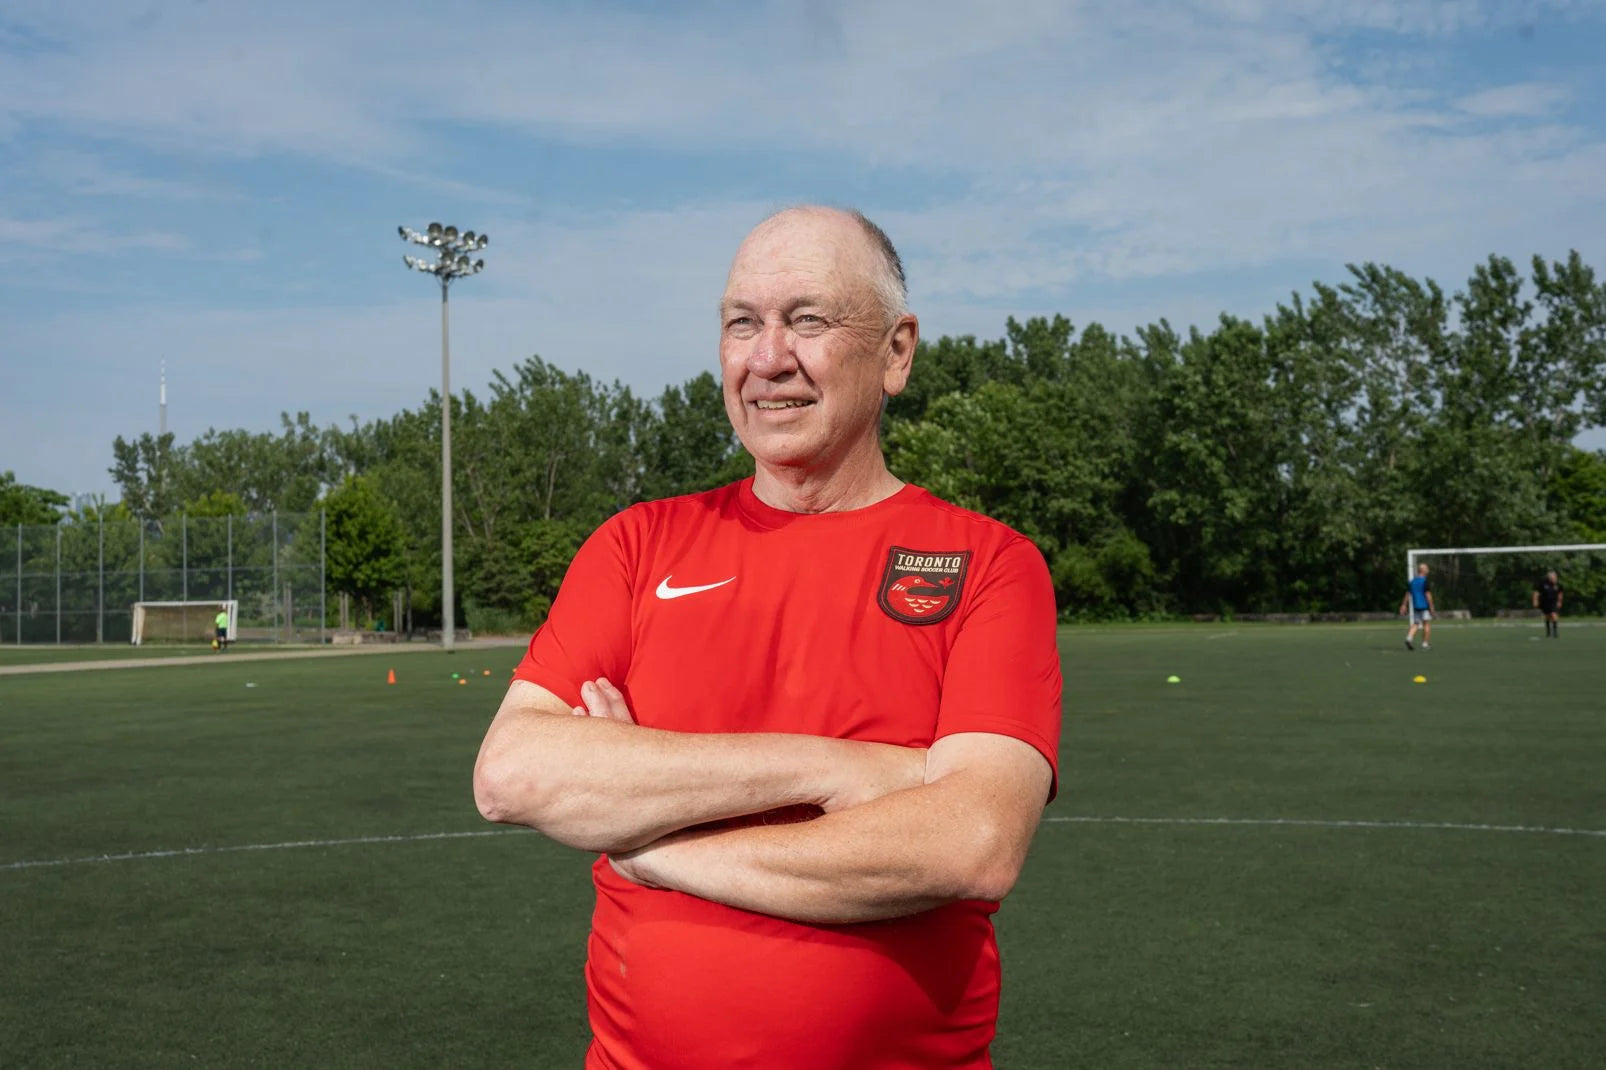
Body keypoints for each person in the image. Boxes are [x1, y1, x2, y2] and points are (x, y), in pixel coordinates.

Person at [473, 206, 1062, 1070]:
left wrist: (658, 844)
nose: (767, 357)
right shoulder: (637, 546)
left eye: (808, 319)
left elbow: (971, 844)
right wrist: (836, 770)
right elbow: (512, 775)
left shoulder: (989, 564)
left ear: (896, 352)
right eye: (741, 322)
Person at [1400, 562, 1434, 650]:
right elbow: (1428, 595)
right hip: (1424, 606)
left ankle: (1409, 638)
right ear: (1423, 570)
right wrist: (1431, 606)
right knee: (1426, 624)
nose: (1428, 570)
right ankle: (1425, 644)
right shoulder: (1425, 582)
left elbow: (1407, 594)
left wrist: (1404, 605)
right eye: (1427, 568)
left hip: (1416, 606)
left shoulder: (1412, 581)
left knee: (1416, 623)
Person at [1533, 570, 1563, 638]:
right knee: (1547, 617)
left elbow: (1560, 594)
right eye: (1552, 578)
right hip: (1545, 603)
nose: (1554, 579)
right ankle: (1548, 632)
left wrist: (1559, 602)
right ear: (1549, 577)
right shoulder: (1543, 583)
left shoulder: (1558, 584)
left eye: (1555, 577)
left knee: (1554, 615)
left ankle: (1555, 633)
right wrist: (1535, 600)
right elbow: (1536, 592)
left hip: (1554, 602)